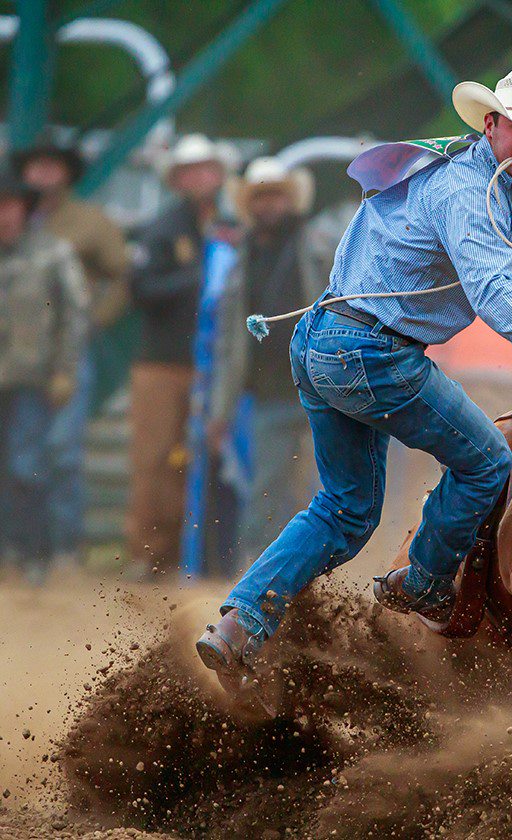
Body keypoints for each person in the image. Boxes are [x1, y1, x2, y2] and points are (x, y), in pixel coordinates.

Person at [197, 63, 512, 689]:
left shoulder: (507, 184)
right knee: (486, 462)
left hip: (324, 341)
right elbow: (495, 290)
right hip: (372, 351)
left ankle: (239, 622)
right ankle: (421, 583)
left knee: (345, 509)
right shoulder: (467, 192)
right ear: (493, 125)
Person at [14, 136, 129, 568]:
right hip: (17, 358)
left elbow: (121, 275)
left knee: (62, 451)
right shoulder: (12, 217)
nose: (42, 174)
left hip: (68, 354)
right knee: (20, 455)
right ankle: (23, 551)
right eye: (35, 166)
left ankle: (64, 550)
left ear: (66, 173)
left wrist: (93, 320)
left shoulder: (90, 222)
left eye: (52, 166)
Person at [209, 157, 327, 565]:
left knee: (328, 483)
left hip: (322, 386)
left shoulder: (320, 246)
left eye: (275, 195)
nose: (268, 205)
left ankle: (313, 564)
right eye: (260, 197)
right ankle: (260, 564)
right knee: (267, 486)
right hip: (271, 390)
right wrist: (219, 410)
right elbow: (228, 342)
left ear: (288, 199)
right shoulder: (242, 261)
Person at [126, 134, 234, 576]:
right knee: (155, 457)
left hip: (213, 363)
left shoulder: (230, 222)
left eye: (208, 168)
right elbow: (141, 290)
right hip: (164, 363)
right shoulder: (164, 228)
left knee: (213, 457)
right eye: (192, 170)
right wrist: (201, 276)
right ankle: (150, 554)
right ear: (178, 179)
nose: (201, 177)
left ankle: (207, 554)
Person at [0, 167, 89, 585]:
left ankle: (33, 552)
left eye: (9, 204)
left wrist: (65, 370)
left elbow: (75, 314)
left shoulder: (54, 252)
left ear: (23, 209)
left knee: (26, 464)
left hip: (32, 379)